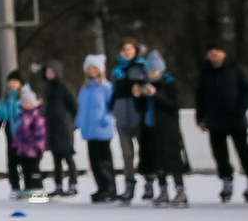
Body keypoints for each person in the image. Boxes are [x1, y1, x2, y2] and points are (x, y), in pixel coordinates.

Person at [194, 47, 248, 203]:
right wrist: (201, 118)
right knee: (219, 153)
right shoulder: (205, 72)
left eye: (217, 51)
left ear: (224, 53)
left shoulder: (235, 69)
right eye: (211, 51)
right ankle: (226, 180)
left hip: (235, 117)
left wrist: (241, 109)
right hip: (215, 119)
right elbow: (200, 96)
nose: (214, 54)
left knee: (243, 150)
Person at [139, 54, 189, 207]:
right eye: (150, 71)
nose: (152, 74)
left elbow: (173, 105)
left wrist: (156, 94)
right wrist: (138, 96)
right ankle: (163, 190)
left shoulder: (169, 84)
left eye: (155, 71)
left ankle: (180, 191)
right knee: (156, 161)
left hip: (168, 129)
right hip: (150, 128)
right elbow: (140, 108)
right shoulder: (145, 86)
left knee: (173, 160)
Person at [108, 40, 146, 203]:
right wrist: (112, 109)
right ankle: (129, 184)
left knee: (145, 151)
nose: (127, 52)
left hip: (139, 116)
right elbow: (114, 92)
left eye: (130, 49)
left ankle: (150, 181)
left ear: (136, 51)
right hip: (122, 116)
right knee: (127, 154)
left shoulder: (142, 67)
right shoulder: (117, 70)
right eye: (124, 49)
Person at [76, 57, 118, 202]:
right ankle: (101, 187)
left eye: (94, 68)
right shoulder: (85, 89)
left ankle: (110, 188)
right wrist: (79, 122)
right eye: (89, 68)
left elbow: (113, 107)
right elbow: (82, 108)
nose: (92, 71)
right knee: (94, 162)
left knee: (104, 160)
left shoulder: (106, 87)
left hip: (102, 130)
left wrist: (107, 120)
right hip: (89, 130)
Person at [40, 62, 80, 197]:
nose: (49, 74)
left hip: (63, 126)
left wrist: (70, 121)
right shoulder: (47, 88)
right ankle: (58, 185)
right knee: (56, 158)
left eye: (52, 71)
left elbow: (73, 105)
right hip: (51, 126)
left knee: (68, 155)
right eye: (48, 71)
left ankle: (73, 183)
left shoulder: (63, 87)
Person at [0, 72, 28, 197]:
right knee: (11, 161)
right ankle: (15, 187)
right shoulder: (5, 97)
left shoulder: (26, 96)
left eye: (15, 81)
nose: (12, 84)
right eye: (10, 81)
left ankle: (29, 185)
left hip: (23, 132)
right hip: (10, 131)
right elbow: (1, 113)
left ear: (20, 83)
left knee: (24, 160)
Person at [8, 88, 49, 202]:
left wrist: (38, 145)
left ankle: (37, 186)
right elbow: (18, 132)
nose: (27, 104)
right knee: (25, 168)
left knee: (33, 169)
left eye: (29, 102)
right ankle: (28, 187)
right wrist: (15, 143)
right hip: (22, 149)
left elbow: (39, 132)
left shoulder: (36, 117)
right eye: (25, 102)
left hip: (33, 149)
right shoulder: (21, 116)